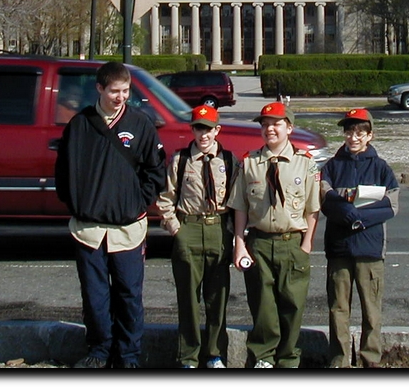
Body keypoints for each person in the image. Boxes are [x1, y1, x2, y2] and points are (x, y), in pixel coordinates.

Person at [55, 61, 166, 369]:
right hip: (88, 230)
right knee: (95, 297)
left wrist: (137, 204)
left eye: (126, 91)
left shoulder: (140, 124)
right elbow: (63, 175)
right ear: (100, 89)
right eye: (115, 91)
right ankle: (99, 351)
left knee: (129, 296)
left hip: (128, 230)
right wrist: (78, 204)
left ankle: (129, 357)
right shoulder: (79, 126)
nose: (121, 97)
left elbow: (156, 172)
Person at [227, 102, 321, 368]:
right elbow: (240, 206)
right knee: (263, 304)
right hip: (259, 241)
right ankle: (264, 357)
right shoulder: (250, 163)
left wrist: (306, 245)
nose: (270, 129)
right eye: (265, 124)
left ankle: (288, 358)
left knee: (292, 304)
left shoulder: (305, 164)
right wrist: (239, 244)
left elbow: (313, 209)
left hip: (291, 242)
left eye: (276, 124)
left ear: (289, 128)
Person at [156, 104, 240, 369]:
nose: (203, 135)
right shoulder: (181, 160)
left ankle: (214, 353)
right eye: (198, 129)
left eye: (208, 129)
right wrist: (175, 228)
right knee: (188, 298)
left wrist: (236, 235)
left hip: (218, 228)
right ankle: (188, 356)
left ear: (217, 130)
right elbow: (166, 198)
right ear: (192, 130)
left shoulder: (229, 160)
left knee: (217, 296)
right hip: (188, 228)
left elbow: (238, 200)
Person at [319, 108, 400, 369]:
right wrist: (345, 211)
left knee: (371, 311)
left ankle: (370, 361)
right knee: (338, 310)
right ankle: (339, 361)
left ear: (370, 136)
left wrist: (360, 218)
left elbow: (392, 205)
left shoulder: (381, 168)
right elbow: (324, 198)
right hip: (339, 248)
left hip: (370, 249)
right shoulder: (332, 166)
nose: (353, 137)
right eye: (349, 131)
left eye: (360, 132)